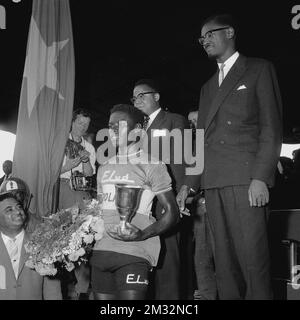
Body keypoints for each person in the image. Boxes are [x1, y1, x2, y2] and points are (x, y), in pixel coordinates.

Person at [177, 13, 282, 300]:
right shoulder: (207, 87)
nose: (205, 41)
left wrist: (260, 176)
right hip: (213, 184)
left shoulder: (259, 69)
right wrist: (188, 184)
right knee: (224, 266)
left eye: (210, 34)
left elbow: (271, 129)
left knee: (253, 263)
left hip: (245, 181)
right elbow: (202, 140)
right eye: (201, 38)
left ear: (230, 32)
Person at [91, 104, 180, 300]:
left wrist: (143, 234)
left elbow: (172, 213)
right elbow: (98, 209)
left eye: (119, 125)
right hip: (102, 251)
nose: (112, 130)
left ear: (137, 130)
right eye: (110, 125)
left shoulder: (152, 164)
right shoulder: (104, 167)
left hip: (134, 252)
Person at [132, 78, 189, 299]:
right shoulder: (135, 128)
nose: (137, 100)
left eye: (142, 95)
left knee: (167, 256)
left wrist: (181, 192)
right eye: (134, 97)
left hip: (165, 196)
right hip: (139, 199)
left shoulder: (174, 120)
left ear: (156, 96)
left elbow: (183, 160)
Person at [59, 108, 96, 299]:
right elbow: (53, 170)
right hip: (63, 189)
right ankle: (61, 286)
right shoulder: (59, 141)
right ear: (72, 122)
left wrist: (86, 161)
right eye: (80, 123)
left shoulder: (89, 147)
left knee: (83, 239)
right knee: (62, 238)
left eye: (86, 125)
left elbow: (90, 174)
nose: (83, 127)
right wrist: (72, 163)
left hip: (81, 191)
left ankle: (82, 289)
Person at [0, 187, 62, 299]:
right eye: (9, 210)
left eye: (18, 207)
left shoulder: (43, 245)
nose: (18, 212)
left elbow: (52, 290)